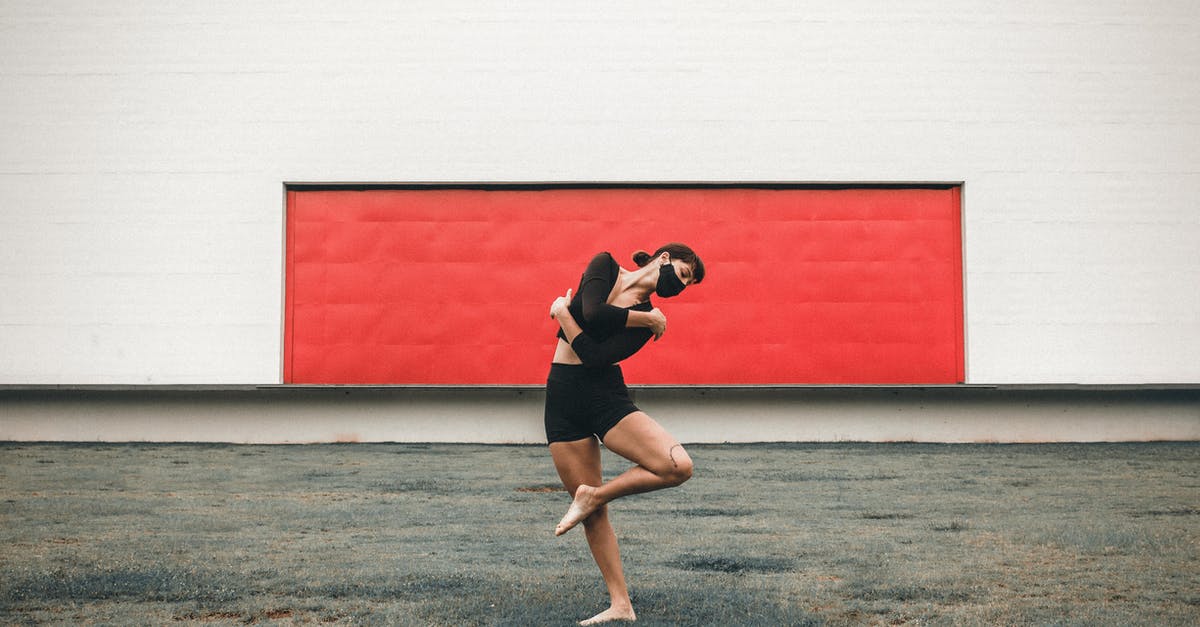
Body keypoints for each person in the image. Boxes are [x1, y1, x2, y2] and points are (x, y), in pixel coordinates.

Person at [545, 243, 706, 625]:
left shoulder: (650, 317)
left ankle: (594, 495)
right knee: (594, 518)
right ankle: (621, 605)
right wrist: (641, 321)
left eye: (687, 285)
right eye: (683, 275)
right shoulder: (605, 265)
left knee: (678, 466)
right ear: (664, 259)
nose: (680, 287)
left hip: (605, 397)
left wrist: (561, 314)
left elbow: (595, 356)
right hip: (563, 396)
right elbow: (593, 312)